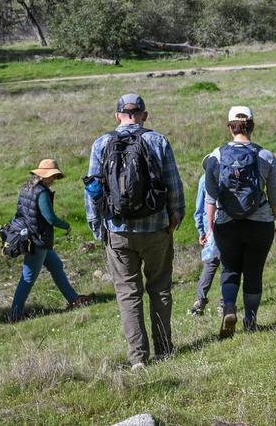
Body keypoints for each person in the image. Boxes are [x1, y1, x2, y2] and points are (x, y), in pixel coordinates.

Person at [85, 94, 185, 369]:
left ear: (117, 115)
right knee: (160, 289)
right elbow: (173, 182)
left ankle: (138, 358)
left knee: (128, 293)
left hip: (117, 229)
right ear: (144, 114)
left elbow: (92, 189)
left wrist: (98, 227)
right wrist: (175, 216)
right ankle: (164, 350)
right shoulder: (157, 141)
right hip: (155, 227)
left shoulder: (102, 143)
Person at [202, 106, 276, 338]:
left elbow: (210, 198)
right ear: (252, 126)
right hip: (260, 224)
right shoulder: (265, 156)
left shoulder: (216, 156)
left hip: (226, 224)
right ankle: (250, 320)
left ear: (230, 127)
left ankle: (229, 307)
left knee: (229, 269)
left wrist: (210, 228)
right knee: (253, 271)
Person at [8, 159, 92, 322]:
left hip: (32, 237)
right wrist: (66, 225)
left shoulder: (27, 187)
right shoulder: (42, 192)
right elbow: (50, 218)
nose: (54, 179)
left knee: (56, 266)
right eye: (52, 176)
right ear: (45, 176)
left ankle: (74, 299)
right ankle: (15, 314)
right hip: (39, 240)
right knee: (28, 278)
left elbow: (21, 211)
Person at [189, 182, 221, 317]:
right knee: (228, 267)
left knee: (210, 263)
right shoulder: (232, 170)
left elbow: (200, 209)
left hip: (211, 228)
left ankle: (200, 301)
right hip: (231, 223)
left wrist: (202, 231)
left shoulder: (204, 179)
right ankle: (224, 304)